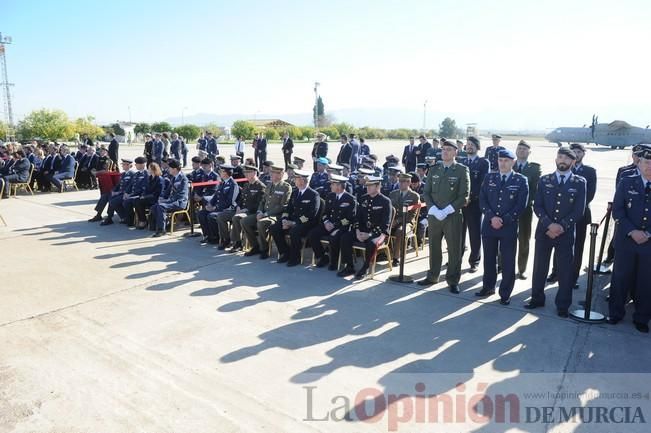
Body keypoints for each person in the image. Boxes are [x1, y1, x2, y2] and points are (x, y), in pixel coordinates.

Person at [525, 147, 586, 318]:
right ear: (556, 159)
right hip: (544, 232)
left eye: (567, 158)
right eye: (560, 157)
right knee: (539, 267)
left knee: (565, 271)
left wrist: (561, 227)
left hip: (565, 234)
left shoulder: (579, 182)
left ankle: (563, 305)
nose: (562, 161)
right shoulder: (545, 180)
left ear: (573, 162)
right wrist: (549, 225)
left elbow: (578, 210)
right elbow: (537, 205)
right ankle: (536, 298)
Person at [476, 149, 529, 304]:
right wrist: (492, 217)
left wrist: (503, 220)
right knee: (489, 259)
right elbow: (483, 200)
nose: (503, 163)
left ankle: (505, 293)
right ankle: (488, 287)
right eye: (500, 160)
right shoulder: (489, 177)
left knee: (507, 261)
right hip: (489, 225)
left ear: (513, 162)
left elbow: (521, 205)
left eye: (506, 161)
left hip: (508, 227)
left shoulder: (521, 180)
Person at [607, 148, 651, 333]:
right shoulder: (626, 182)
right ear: (639, 164)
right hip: (627, 240)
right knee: (620, 278)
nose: (649, 167)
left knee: (646, 281)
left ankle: (641, 317)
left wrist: (648, 233)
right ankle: (616, 313)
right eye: (647, 163)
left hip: (649, 243)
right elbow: (618, 210)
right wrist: (632, 231)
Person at [417, 140, 470, 293]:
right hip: (434, 215)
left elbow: (463, 196)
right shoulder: (434, 169)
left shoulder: (461, 170)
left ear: (455, 152)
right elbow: (426, 192)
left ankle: (453, 280)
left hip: (452, 216)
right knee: (434, 246)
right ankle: (432, 276)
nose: (445, 152)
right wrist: (433, 208)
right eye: (443, 149)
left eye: (448, 150)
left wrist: (446, 210)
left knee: (453, 249)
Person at [338, 176, 392, 280]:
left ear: (378, 186)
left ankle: (366, 267)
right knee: (345, 237)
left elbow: (385, 224)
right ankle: (349, 266)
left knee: (371, 243)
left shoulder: (385, 201)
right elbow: (357, 217)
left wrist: (370, 234)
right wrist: (358, 231)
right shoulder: (363, 198)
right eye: (367, 185)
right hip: (362, 231)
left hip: (378, 233)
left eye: (370, 186)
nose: (368, 188)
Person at [270, 170, 320, 266]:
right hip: (292, 220)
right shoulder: (295, 192)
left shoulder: (313, 194)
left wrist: (293, 223)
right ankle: (285, 252)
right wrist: (284, 220)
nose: (294, 181)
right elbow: (288, 209)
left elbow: (312, 214)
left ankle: (295, 257)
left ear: (302, 181)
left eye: (296, 179)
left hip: (307, 223)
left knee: (294, 231)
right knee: (274, 228)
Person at [308, 174, 356, 270]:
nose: (330, 186)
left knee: (334, 237)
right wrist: (326, 222)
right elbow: (325, 213)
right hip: (328, 224)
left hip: (342, 227)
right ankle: (322, 257)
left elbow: (350, 218)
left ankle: (334, 262)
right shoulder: (330, 196)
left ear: (339, 186)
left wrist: (336, 226)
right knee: (313, 234)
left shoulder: (350, 199)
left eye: (333, 184)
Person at [242, 166, 291, 258]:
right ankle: (255, 246)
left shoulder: (285, 187)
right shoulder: (269, 185)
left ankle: (264, 249)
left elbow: (282, 206)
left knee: (261, 223)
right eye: (271, 173)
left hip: (276, 215)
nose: (271, 174)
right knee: (244, 221)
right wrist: (260, 211)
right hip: (264, 213)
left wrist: (266, 214)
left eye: (274, 173)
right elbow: (263, 201)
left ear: (280, 175)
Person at [460, 136, 489, 272]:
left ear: (477, 147)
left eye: (472, 144)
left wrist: (470, 197)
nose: (469, 146)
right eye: (468, 144)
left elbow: (483, 183)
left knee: (474, 233)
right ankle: (456, 258)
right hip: (460, 203)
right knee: (458, 233)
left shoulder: (483, 163)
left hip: (474, 203)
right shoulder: (461, 161)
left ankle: (474, 261)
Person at [514, 140, 542, 279]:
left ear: (529, 152)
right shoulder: (508, 164)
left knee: (524, 239)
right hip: (507, 210)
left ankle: (521, 269)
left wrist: (522, 203)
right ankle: (501, 264)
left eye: (524, 149)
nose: (521, 151)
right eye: (519, 148)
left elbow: (535, 190)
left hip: (525, 210)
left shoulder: (534, 169)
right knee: (505, 239)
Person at [198, 164, 240, 248]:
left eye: (221, 171)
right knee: (201, 213)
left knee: (211, 216)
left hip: (227, 209)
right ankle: (208, 235)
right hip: (218, 207)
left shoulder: (233, 185)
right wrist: (210, 204)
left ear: (226, 173)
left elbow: (230, 201)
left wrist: (215, 208)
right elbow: (216, 196)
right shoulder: (222, 183)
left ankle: (217, 237)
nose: (220, 172)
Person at [229, 165, 266, 252]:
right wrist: (238, 206)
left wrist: (246, 210)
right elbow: (241, 199)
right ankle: (237, 242)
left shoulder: (261, 186)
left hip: (254, 212)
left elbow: (260, 204)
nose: (246, 174)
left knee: (238, 218)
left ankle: (253, 245)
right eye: (245, 172)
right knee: (236, 217)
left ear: (254, 173)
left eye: (248, 172)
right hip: (244, 211)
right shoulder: (246, 185)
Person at [150, 159, 189, 237]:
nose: (168, 169)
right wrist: (161, 197)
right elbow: (167, 192)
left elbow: (181, 195)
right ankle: (160, 225)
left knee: (161, 207)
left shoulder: (183, 179)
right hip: (172, 201)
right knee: (154, 206)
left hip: (179, 202)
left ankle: (161, 230)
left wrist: (168, 201)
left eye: (170, 168)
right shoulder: (173, 178)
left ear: (174, 169)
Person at [389, 173, 421, 266]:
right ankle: (383, 252)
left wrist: (398, 221)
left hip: (407, 222)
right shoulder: (393, 193)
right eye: (400, 181)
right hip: (393, 220)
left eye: (404, 181)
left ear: (409, 182)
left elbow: (412, 215)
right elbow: (390, 209)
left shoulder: (414, 196)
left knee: (400, 231)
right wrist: (391, 221)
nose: (401, 183)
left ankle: (396, 257)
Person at [98, 159, 137, 225]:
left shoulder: (132, 174)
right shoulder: (123, 173)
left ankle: (121, 217)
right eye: (123, 164)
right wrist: (113, 191)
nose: (122, 166)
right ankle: (105, 216)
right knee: (107, 195)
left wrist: (119, 193)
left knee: (113, 201)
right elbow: (118, 185)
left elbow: (131, 186)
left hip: (127, 194)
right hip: (121, 193)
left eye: (124, 164)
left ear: (129, 166)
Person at [133, 163, 166, 229]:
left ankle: (143, 221)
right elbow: (146, 189)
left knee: (139, 202)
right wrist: (143, 195)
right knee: (136, 200)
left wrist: (145, 197)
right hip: (149, 197)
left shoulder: (159, 179)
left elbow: (157, 193)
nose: (148, 170)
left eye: (149, 169)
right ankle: (142, 220)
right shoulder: (150, 178)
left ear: (153, 170)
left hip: (156, 198)